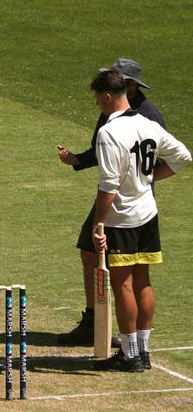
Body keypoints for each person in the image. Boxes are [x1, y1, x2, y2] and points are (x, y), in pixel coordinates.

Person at [54, 58, 165, 346]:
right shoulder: (110, 110)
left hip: (125, 202)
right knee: (90, 254)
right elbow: (101, 150)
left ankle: (131, 346)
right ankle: (95, 321)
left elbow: (158, 159)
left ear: (128, 84)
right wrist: (77, 159)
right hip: (115, 195)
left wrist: (143, 181)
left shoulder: (147, 114)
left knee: (128, 278)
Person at [86, 69, 188, 372]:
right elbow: (183, 157)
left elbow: (108, 187)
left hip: (122, 220)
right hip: (148, 214)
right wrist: (147, 179)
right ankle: (143, 351)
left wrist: (97, 225)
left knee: (123, 286)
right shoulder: (147, 123)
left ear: (107, 96)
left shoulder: (108, 132)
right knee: (143, 281)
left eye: (96, 98)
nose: (96, 105)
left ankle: (130, 355)